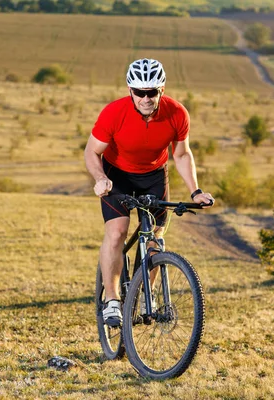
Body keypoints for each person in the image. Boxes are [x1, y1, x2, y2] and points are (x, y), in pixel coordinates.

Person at [84, 58, 214, 327]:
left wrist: (195, 191)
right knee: (117, 232)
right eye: (139, 92)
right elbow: (92, 151)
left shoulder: (177, 113)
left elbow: (181, 154)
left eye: (151, 92)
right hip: (116, 174)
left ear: (161, 90)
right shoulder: (113, 113)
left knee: (155, 239)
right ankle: (111, 300)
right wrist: (100, 179)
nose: (145, 98)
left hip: (154, 176)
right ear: (130, 90)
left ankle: (148, 295)